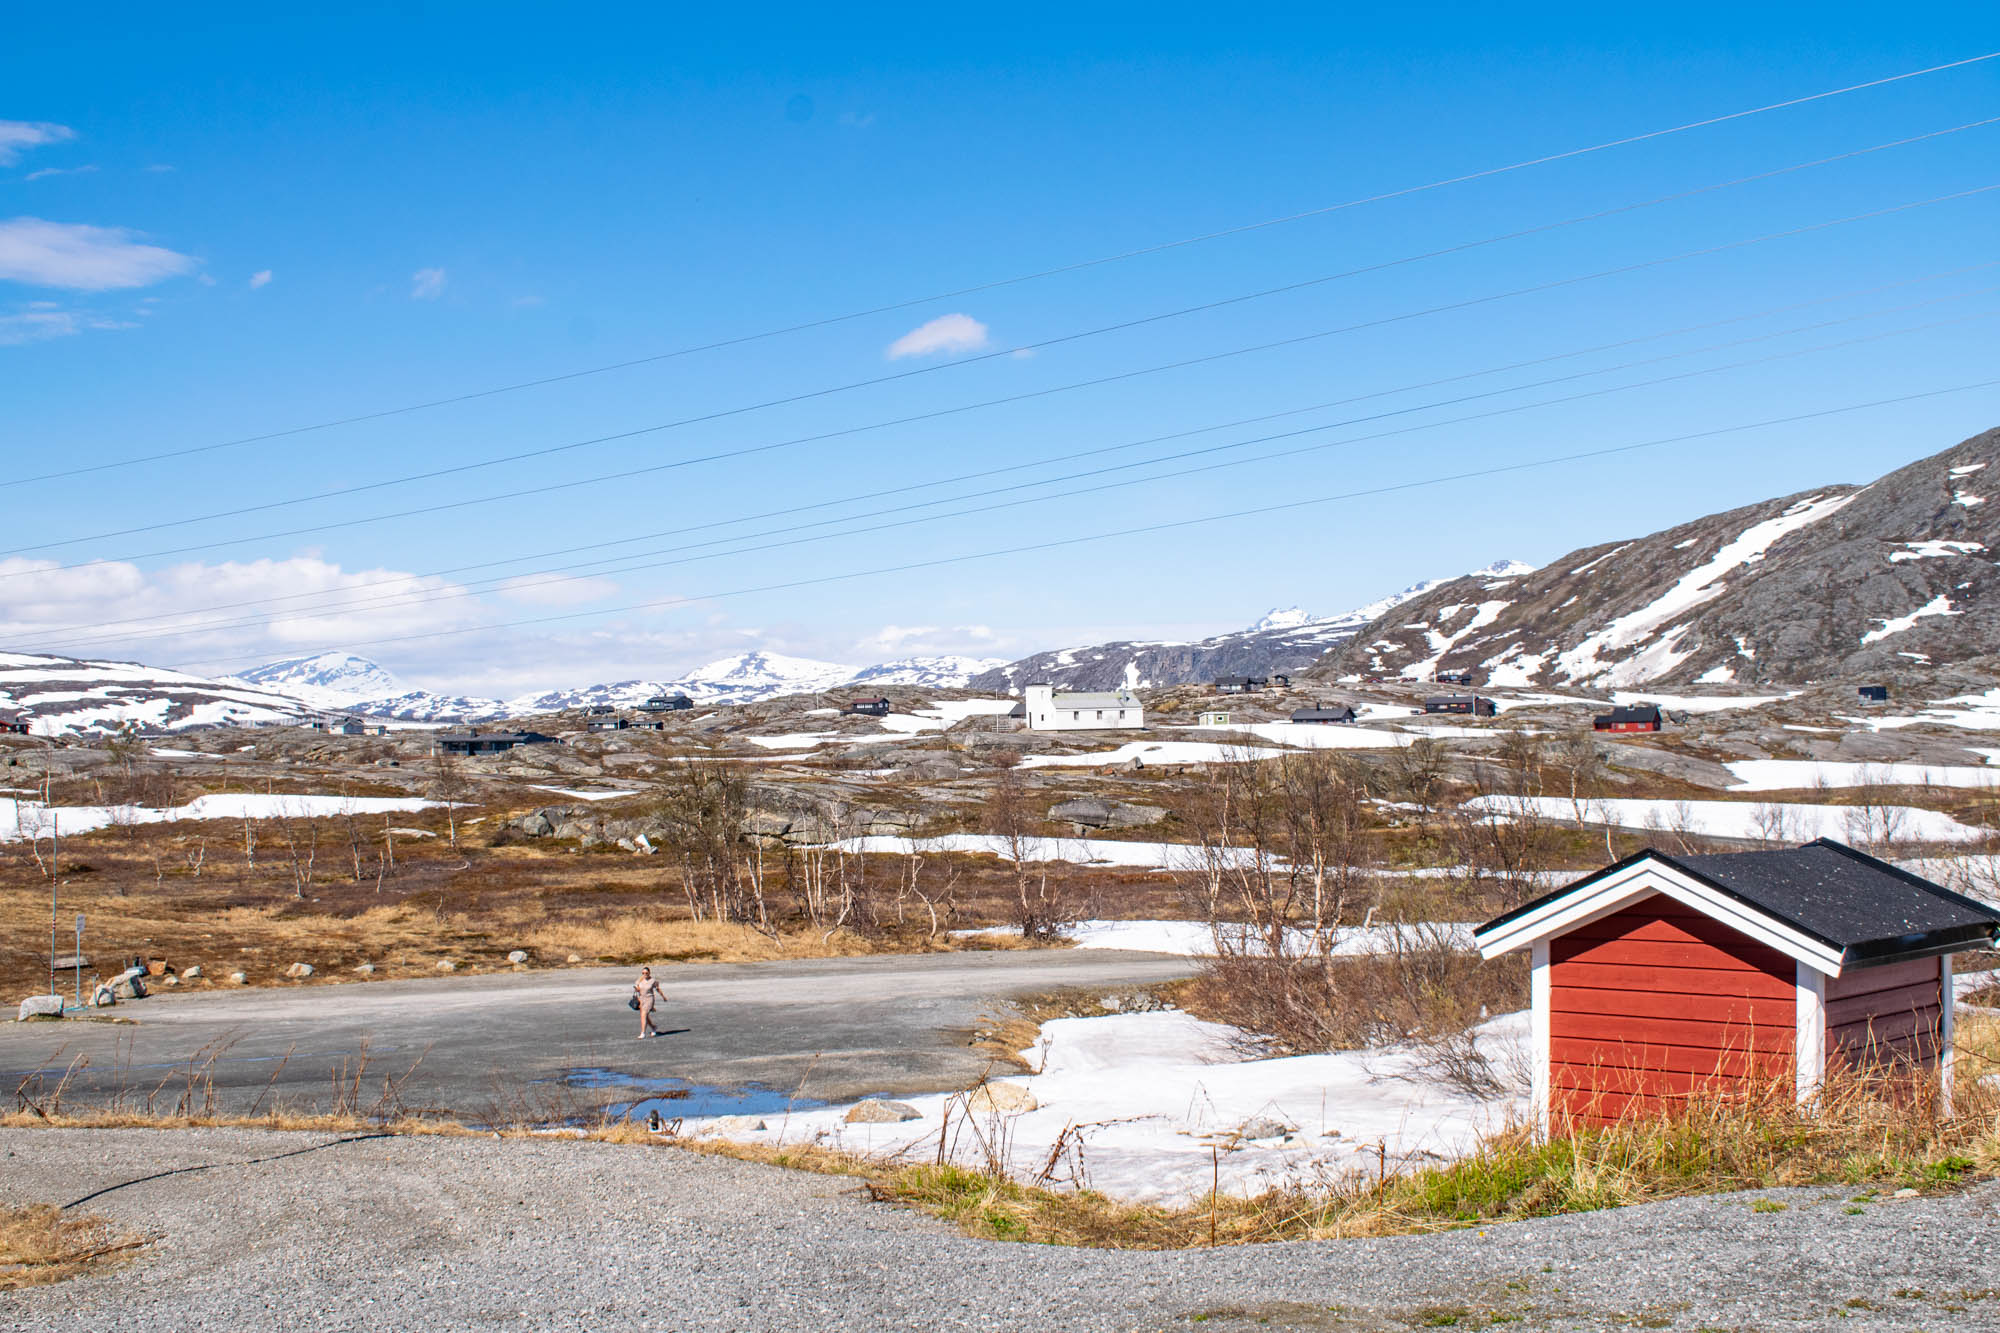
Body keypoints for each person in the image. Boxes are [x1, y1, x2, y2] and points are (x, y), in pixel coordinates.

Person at [632, 966, 668, 1039]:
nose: (645, 974)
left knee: (643, 1015)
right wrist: (637, 988)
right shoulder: (640, 980)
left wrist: (663, 996)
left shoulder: (653, 980)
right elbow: (637, 989)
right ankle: (654, 1027)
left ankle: (642, 1033)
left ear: (649, 973)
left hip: (649, 999)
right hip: (641, 999)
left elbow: (658, 989)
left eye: (646, 973)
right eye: (643, 973)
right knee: (645, 1016)